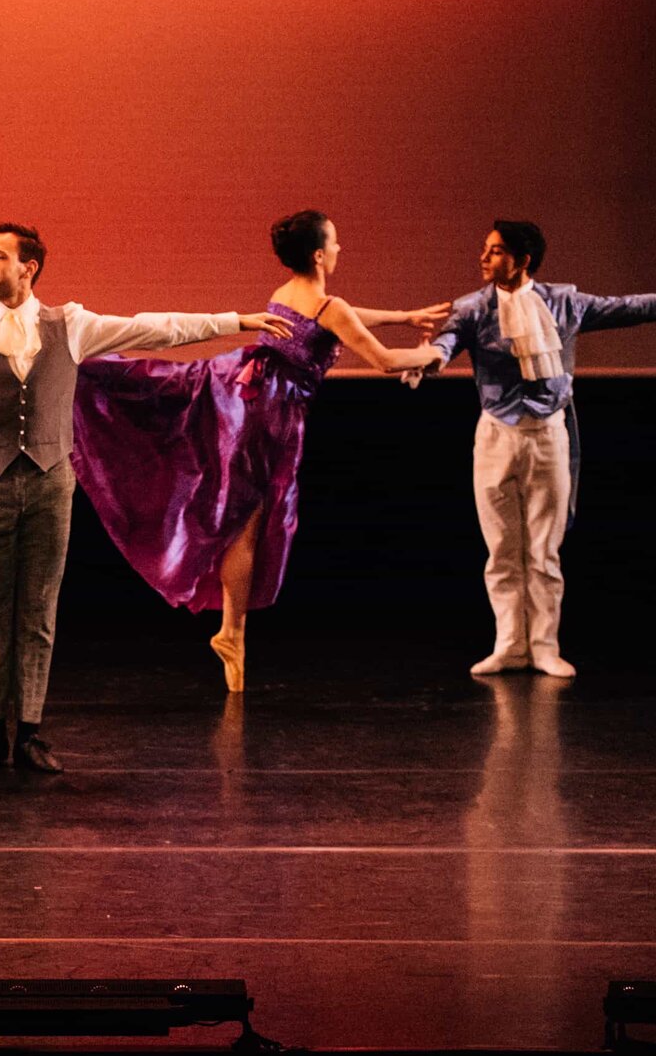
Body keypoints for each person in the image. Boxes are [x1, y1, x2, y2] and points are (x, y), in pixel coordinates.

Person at [0, 223, 293, 771]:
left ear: (29, 267)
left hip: (49, 481)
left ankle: (30, 736)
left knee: (40, 608)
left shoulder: (70, 324)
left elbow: (154, 329)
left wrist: (234, 322)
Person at [71, 210, 448, 694]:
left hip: (242, 392)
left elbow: (341, 318)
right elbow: (383, 359)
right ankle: (231, 632)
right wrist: (431, 354)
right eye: (334, 242)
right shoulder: (328, 305)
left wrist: (403, 316)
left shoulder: (289, 293)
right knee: (247, 522)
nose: (339, 249)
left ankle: (232, 632)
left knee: (242, 519)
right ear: (318, 254)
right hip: (268, 413)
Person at [422, 219, 656, 679]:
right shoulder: (473, 308)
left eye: (495, 251)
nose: (483, 257)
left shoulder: (563, 302)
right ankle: (509, 645)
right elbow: (446, 342)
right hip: (497, 433)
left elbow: (633, 307)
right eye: (485, 249)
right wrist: (431, 359)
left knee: (543, 547)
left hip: (548, 433)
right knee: (501, 548)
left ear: (523, 259)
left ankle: (543, 647)